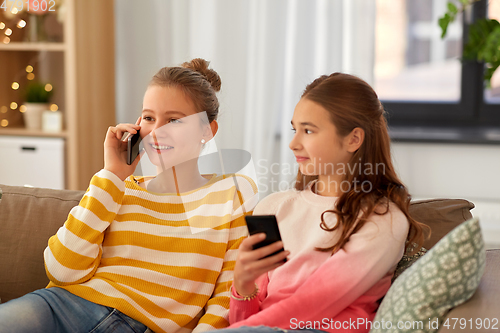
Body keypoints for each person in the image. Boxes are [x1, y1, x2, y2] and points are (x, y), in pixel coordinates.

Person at [0, 58, 258, 333]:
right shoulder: (116, 187)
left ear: (207, 130)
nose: (156, 131)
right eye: (149, 118)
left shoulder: (232, 193)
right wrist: (111, 174)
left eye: (174, 120)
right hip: (62, 307)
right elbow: (62, 270)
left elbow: (226, 295)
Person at [215, 73, 427, 333]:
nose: (293, 143)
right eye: (295, 129)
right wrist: (243, 285)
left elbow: (310, 306)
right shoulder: (273, 207)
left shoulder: (382, 219)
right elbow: (241, 322)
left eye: (308, 130)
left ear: (353, 139)